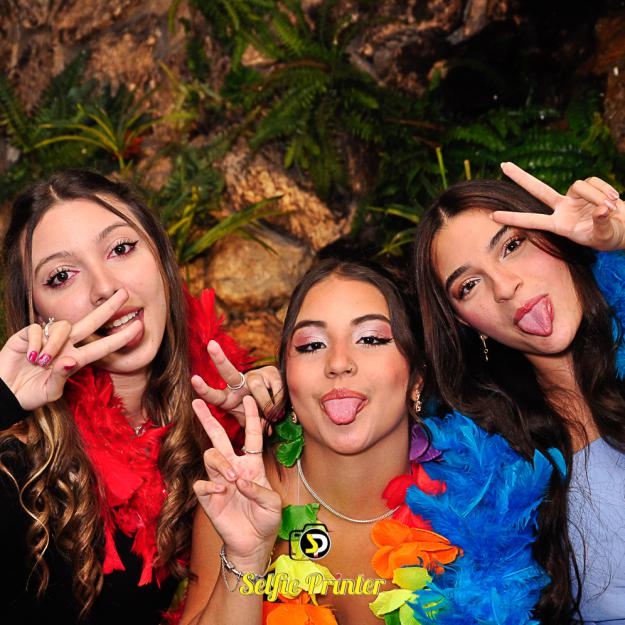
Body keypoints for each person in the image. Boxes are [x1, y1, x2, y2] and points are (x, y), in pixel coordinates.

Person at [180, 258, 559, 625]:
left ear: (417, 377)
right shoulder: (241, 496)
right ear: (287, 377)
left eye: (371, 339)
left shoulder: (484, 503)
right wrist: (245, 560)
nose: (338, 363)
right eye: (311, 345)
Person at [0, 169, 250, 625]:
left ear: (160, 258)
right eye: (61, 276)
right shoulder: (16, 467)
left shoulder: (214, 422)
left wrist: (280, 419)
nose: (105, 288)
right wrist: (2, 399)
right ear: (36, 315)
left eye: (120, 248)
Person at [412, 162, 625, 624]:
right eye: (469, 285)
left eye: (512, 246)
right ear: (465, 322)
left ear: (555, 236)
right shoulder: (491, 471)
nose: (506, 287)